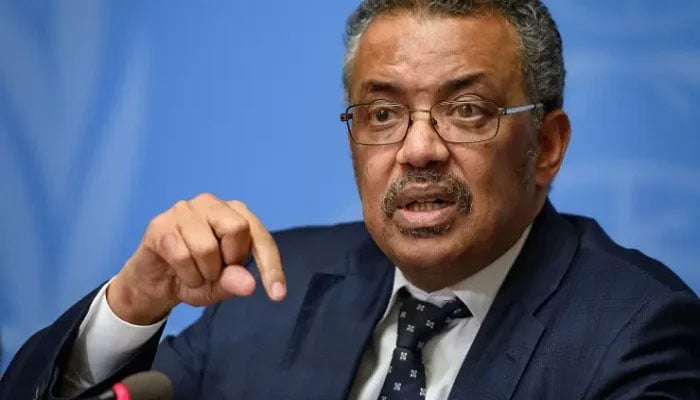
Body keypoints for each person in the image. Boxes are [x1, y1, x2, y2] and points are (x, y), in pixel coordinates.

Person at [2, 0, 699, 399]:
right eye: (383, 113)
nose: (418, 150)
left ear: (545, 146)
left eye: (465, 109)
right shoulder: (266, 292)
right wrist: (129, 307)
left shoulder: (635, 333)